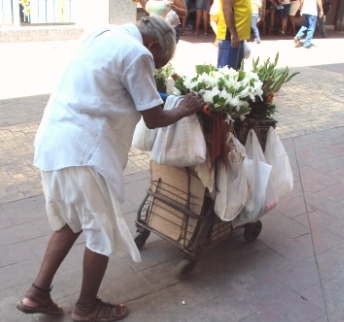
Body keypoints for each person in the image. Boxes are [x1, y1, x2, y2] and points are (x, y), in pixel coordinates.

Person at [15, 16, 205, 322]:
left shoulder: (100, 34)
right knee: (102, 230)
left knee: (70, 220)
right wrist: (183, 109)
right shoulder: (138, 53)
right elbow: (154, 118)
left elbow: (119, 90)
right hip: (84, 151)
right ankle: (87, 307)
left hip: (53, 142)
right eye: (158, 63)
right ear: (153, 46)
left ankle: (37, 293)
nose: (153, 68)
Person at [217, 0, 252, 70]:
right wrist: (233, 33)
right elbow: (226, 9)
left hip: (238, 36)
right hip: (230, 38)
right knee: (226, 75)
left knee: (237, 75)